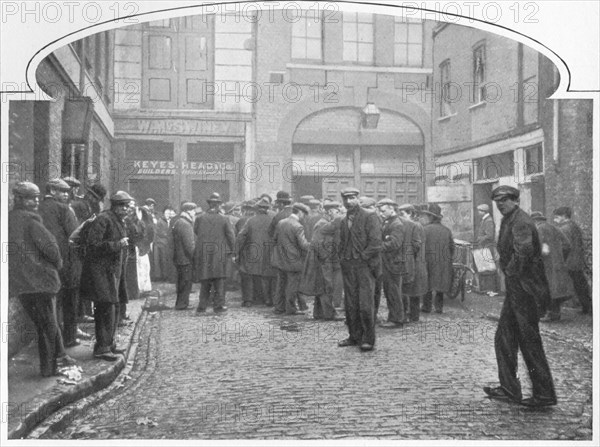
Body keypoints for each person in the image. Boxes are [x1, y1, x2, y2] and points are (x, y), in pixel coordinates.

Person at [483, 185, 556, 407]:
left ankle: (544, 395)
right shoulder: (510, 219)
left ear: (515, 200)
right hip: (518, 290)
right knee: (504, 337)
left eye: (505, 200)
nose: (500, 204)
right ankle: (509, 389)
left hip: (526, 290)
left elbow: (523, 252)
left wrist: (510, 274)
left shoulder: (521, 221)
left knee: (529, 341)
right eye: (497, 201)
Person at [9, 181, 76, 376]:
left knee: (42, 323)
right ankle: (49, 368)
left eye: (37, 197)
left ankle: (58, 358)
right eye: (31, 198)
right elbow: (51, 249)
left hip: (20, 283)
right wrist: (58, 264)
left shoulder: (9, 219)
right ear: (19, 199)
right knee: (48, 325)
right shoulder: (32, 221)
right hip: (41, 281)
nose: (36, 201)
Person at [80, 191, 133, 362]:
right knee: (104, 310)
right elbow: (93, 245)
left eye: (127, 206)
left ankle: (109, 344)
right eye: (122, 206)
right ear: (115, 206)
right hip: (100, 273)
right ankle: (102, 348)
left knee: (113, 308)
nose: (125, 209)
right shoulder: (104, 219)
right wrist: (117, 244)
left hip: (112, 273)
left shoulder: (117, 220)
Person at [337, 187, 382, 352]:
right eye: (346, 199)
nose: (349, 202)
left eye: (352, 198)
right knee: (351, 304)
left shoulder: (370, 217)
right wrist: (342, 258)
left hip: (365, 267)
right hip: (348, 266)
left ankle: (368, 339)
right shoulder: (343, 220)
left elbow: (376, 243)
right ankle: (354, 336)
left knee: (365, 304)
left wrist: (363, 257)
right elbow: (341, 242)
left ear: (358, 198)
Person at [38, 178, 81, 348]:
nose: (66, 194)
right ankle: (69, 338)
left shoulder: (37, 208)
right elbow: (75, 234)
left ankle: (52, 341)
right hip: (66, 262)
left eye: (67, 191)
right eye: (62, 191)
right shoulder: (64, 209)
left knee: (51, 303)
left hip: (44, 262)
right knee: (69, 301)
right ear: (53, 191)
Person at [301, 201, 344, 321]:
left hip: (321, 260)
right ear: (329, 212)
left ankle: (318, 313)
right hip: (322, 261)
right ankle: (329, 314)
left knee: (321, 286)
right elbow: (318, 244)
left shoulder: (324, 223)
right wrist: (326, 258)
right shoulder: (322, 224)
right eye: (337, 211)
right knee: (326, 286)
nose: (338, 213)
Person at [193, 193, 235, 313]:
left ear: (209, 204)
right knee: (219, 281)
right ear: (218, 205)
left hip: (204, 253)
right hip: (219, 253)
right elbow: (231, 236)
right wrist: (233, 251)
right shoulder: (224, 219)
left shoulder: (200, 218)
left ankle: (202, 306)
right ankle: (219, 305)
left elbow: (196, 231)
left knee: (205, 281)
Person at [531, 212, 574, 322]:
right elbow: (567, 245)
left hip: (545, 265)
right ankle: (555, 314)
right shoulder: (555, 228)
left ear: (534, 221)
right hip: (557, 264)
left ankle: (547, 314)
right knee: (555, 289)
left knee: (545, 289)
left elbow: (538, 249)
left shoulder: (539, 229)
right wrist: (559, 258)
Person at [236, 198, 277, 307]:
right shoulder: (273, 220)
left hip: (253, 251)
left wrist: (237, 251)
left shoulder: (251, 220)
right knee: (268, 275)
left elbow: (241, 236)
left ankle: (249, 300)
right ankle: (268, 299)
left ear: (257, 209)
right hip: (269, 251)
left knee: (250, 274)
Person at [272, 202, 311, 315]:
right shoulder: (298, 226)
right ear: (299, 212)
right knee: (292, 286)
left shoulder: (281, 222)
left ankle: (279, 308)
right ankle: (291, 309)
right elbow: (303, 245)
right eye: (303, 214)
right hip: (294, 261)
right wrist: (314, 245)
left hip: (280, 259)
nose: (303, 217)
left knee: (280, 284)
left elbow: (274, 239)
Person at [553, 207, 592, 315]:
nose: (555, 220)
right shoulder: (574, 226)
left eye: (557, 217)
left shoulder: (564, 228)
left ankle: (556, 310)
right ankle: (587, 307)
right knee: (580, 284)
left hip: (569, 261)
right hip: (577, 260)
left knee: (567, 285)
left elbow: (564, 247)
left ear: (564, 216)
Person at [374, 198, 406, 328]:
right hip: (388, 262)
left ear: (391, 209)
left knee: (393, 291)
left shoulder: (397, 224)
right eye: (380, 211)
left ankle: (397, 319)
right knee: (389, 290)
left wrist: (377, 246)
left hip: (393, 263)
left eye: (383, 211)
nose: (381, 213)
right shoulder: (389, 222)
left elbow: (395, 243)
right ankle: (393, 317)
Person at [421, 203, 455, 314]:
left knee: (427, 283)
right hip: (443, 261)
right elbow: (452, 247)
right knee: (440, 283)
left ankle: (427, 307)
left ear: (431, 217)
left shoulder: (424, 229)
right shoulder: (446, 230)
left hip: (428, 260)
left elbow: (420, 246)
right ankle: (439, 307)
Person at [397, 203, 428, 322]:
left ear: (410, 213)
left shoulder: (415, 225)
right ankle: (410, 314)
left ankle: (413, 315)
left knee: (413, 289)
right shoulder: (412, 225)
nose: (401, 216)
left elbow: (416, 245)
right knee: (410, 289)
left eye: (403, 213)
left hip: (415, 263)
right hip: (413, 261)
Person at [172, 202, 197, 310]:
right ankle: (182, 304)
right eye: (193, 210)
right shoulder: (185, 224)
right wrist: (195, 257)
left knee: (182, 281)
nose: (194, 212)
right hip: (185, 259)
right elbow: (189, 245)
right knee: (185, 282)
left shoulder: (179, 222)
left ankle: (182, 303)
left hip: (180, 257)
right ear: (187, 211)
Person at [153, 206, 176, 282]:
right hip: (162, 243)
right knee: (163, 260)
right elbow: (158, 232)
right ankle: (164, 276)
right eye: (166, 213)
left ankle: (168, 276)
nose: (167, 215)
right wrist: (166, 234)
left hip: (168, 243)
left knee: (168, 260)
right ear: (163, 214)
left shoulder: (171, 221)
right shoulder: (160, 221)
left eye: (169, 213)